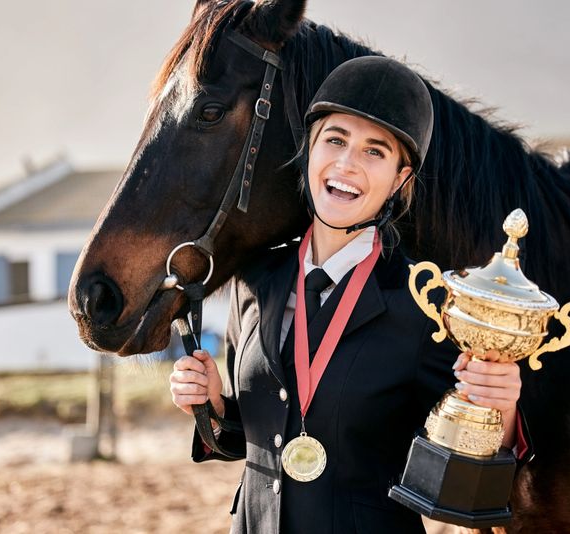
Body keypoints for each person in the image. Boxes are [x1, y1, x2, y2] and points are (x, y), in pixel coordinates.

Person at [170, 56, 528, 534]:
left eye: (374, 151)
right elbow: (256, 439)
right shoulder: (255, 280)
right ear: (310, 151)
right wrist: (212, 404)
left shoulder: (427, 305)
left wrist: (500, 411)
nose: (346, 164)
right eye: (334, 140)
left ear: (401, 180)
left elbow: (462, 473)